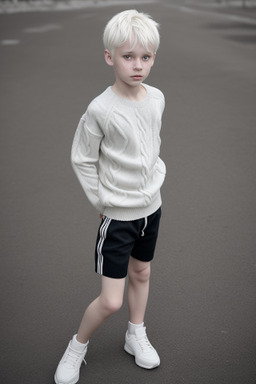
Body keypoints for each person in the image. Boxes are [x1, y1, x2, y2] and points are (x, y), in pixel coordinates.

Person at [54, 9, 166, 384]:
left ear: (153, 57)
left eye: (145, 57)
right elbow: (82, 159)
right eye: (128, 56)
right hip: (118, 215)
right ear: (109, 57)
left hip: (152, 208)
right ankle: (77, 346)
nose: (137, 65)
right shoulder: (100, 109)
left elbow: (150, 146)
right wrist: (103, 202)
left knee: (142, 271)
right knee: (111, 300)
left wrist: (152, 182)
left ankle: (136, 334)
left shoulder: (157, 99)